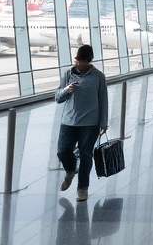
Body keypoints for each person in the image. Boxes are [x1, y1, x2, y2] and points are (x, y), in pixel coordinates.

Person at [55, 44, 109, 202]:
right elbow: (58, 97)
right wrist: (66, 90)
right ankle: (71, 170)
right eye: (76, 60)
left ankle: (82, 188)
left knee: (86, 155)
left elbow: (103, 100)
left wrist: (103, 122)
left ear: (89, 60)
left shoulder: (98, 76)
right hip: (69, 121)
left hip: (90, 123)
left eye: (81, 61)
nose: (77, 63)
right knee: (62, 151)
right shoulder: (68, 74)